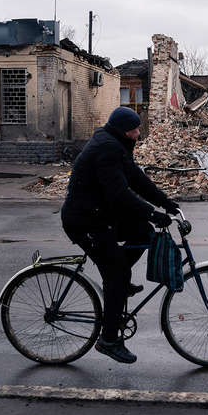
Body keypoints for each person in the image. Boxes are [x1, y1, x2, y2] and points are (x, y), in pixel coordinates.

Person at [61, 106, 179, 364]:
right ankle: (109, 339)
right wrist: (152, 212)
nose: (139, 134)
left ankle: (119, 285)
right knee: (116, 273)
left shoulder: (115, 144)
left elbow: (137, 179)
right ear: (125, 131)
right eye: (136, 129)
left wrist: (166, 203)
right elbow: (120, 194)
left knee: (143, 233)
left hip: (100, 214)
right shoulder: (108, 149)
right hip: (84, 221)